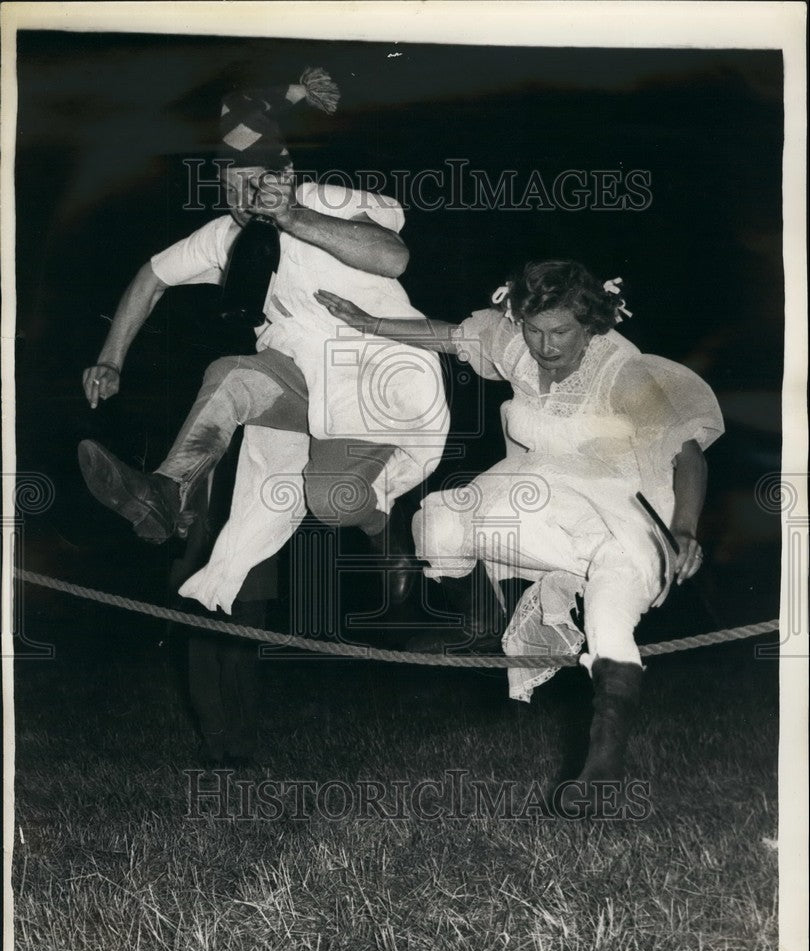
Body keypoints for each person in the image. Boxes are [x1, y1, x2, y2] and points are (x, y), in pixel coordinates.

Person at [315, 259, 724, 793]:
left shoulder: (624, 373)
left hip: (625, 517)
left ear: (592, 325)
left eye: (561, 333)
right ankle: (480, 622)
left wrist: (686, 529)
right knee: (441, 519)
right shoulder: (516, 347)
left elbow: (689, 456)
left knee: (609, 618)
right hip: (544, 502)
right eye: (535, 330)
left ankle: (601, 771)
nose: (546, 346)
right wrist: (368, 323)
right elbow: (450, 336)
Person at [79, 74, 449, 617]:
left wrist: (292, 216)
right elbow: (151, 277)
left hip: (380, 375)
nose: (243, 197)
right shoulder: (224, 236)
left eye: (256, 182)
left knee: (330, 501)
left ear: (287, 175)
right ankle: (165, 491)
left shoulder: (325, 199)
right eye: (231, 183)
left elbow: (393, 257)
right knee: (230, 374)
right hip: (300, 378)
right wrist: (111, 358)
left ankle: (382, 533)